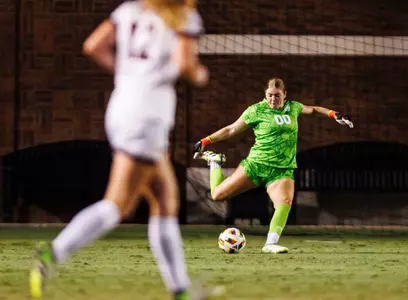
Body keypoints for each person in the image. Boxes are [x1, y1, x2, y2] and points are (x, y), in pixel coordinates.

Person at [29, 1, 210, 299]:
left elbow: (93, 45)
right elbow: (185, 65)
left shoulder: (129, 10)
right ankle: (53, 254)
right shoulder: (183, 16)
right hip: (149, 117)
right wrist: (200, 74)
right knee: (118, 204)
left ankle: (180, 290)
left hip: (122, 107)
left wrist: (128, 75)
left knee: (165, 200)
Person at [193, 78, 354, 254]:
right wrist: (205, 140)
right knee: (217, 195)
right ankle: (215, 162)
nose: (272, 99)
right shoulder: (256, 110)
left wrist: (335, 114)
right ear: (265, 94)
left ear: (284, 94)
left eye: (277, 95)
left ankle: (270, 243)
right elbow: (231, 129)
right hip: (255, 165)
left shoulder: (293, 107)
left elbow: (314, 109)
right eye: (269, 95)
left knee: (284, 202)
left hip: (282, 169)